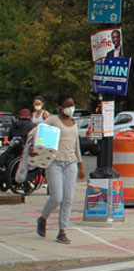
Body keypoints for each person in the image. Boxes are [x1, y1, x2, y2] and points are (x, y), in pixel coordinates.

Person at [34, 94, 84, 245]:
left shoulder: (74, 124)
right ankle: (43, 218)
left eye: (72, 104)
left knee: (68, 199)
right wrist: (34, 146)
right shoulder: (53, 120)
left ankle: (62, 231)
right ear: (61, 107)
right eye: (67, 105)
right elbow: (38, 131)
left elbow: (77, 146)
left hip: (71, 163)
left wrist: (80, 166)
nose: (71, 108)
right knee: (57, 197)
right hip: (54, 162)